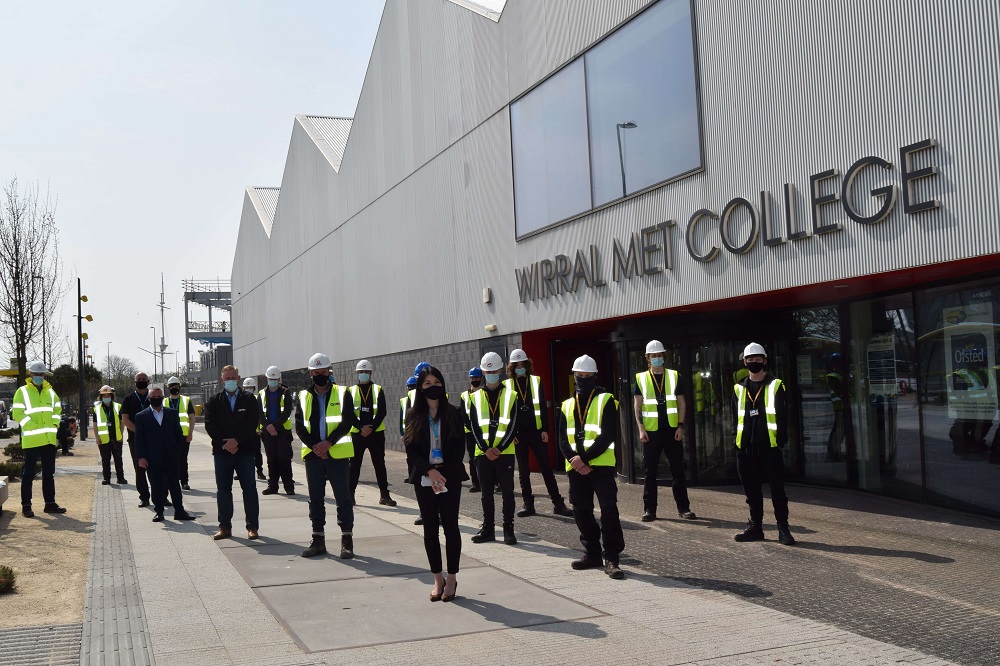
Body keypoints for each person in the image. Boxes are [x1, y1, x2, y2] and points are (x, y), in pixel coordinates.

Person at [558, 355, 624, 579]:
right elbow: (562, 440)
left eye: (587, 376)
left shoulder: (607, 400)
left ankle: (612, 557)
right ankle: (592, 552)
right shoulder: (567, 405)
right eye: (579, 376)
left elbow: (607, 435)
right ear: (574, 376)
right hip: (576, 468)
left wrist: (583, 459)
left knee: (609, 511)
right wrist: (575, 461)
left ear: (594, 376)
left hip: (601, 465)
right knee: (581, 510)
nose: (583, 380)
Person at [405, 366, 467, 602]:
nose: (433, 387)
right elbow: (411, 449)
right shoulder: (413, 415)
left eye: (436, 382)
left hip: (449, 476)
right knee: (430, 529)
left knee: (451, 527)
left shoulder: (454, 412)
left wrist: (443, 476)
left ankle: (451, 578)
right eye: (427, 383)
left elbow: (459, 447)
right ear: (421, 388)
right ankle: (437, 578)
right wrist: (430, 472)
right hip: (424, 477)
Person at [731, 342, 795, 545]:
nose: (754, 362)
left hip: (769, 447)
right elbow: (734, 417)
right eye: (751, 360)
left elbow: (784, 416)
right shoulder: (739, 388)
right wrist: (737, 441)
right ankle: (755, 528)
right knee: (751, 491)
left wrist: (780, 441)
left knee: (777, 491)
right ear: (745, 362)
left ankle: (783, 528)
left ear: (765, 361)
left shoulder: (775, 385)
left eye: (758, 359)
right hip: (745, 449)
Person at [296, 353, 357, 559]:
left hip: (337, 455)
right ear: (311, 374)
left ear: (329, 372)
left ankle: (346, 540)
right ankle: (318, 540)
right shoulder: (303, 397)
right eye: (316, 372)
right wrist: (316, 447)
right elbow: (299, 426)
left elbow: (347, 421)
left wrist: (328, 443)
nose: (320, 375)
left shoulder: (342, 393)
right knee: (315, 499)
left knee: (343, 499)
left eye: (323, 372)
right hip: (314, 457)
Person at [504, 349, 572, 518]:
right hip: (518, 435)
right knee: (524, 472)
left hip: (536, 433)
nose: (520, 367)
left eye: (522, 364)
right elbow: (505, 413)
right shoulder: (506, 385)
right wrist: (511, 435)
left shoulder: (535, 381)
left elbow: (542, 406)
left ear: (527, 364)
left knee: (546, 469)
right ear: (512, 367)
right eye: (517, 365)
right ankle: (528, 505)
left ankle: (558, 504)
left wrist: (545, 430)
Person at [634, 340, 696, 522]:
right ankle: (649, 510)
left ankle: (684, 508)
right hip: (651, 432)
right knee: (650, 472)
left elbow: (681, 403)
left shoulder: (674, 376)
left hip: (672, 431)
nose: (657, 358)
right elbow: (637, 406)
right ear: (647, 358)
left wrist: (681, 426)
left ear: (664, 357)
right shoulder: (641, 378)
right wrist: (641, 429)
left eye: (660, 355)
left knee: (678, 471)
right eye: (654, 356)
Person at [203, 365, 262, 540]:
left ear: (239, 378)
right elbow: (210, 425)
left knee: (249, 489)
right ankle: (224, 527)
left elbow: (252, 423)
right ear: (222, 380)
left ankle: (252, 527)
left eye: (233, 377)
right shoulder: (213, 401)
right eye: (227, 378)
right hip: (222, 453)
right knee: (223, 490)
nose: (230, 381)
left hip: (244, 451)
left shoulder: (249, 399)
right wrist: (227, 444)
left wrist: (237, 441)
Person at [468, 352, 519, 545]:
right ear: (482, 372)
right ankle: (488, 529)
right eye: (487, 371)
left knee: (507, 493)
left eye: (493, 370)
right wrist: (485, 448)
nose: (490, 373)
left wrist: (499, 448)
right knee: (486, 494)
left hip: (504, 453)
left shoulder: (511, 395)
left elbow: (514, 424)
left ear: (500, 371)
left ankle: (508, 529)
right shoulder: (474, 397)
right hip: (482, 454)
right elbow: (472, 425)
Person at [134, 384, 196, 523]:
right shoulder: (141, 416)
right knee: (156, 485)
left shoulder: (172, 413)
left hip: (171, 457)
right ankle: (159, 512)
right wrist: (141, 457)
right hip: (152, 458)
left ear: (163, 397)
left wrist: (177, 451)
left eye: (158, 397)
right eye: (153, 397)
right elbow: (139, 439)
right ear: (149, 398)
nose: (156, 399)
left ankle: (179, 511)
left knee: (174, 484)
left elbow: (178, 434)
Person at [13, 360, 66, 517]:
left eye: (41, 374)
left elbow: (57, 409)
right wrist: (33, 426)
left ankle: (50, 504)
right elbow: (17, 414)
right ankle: (26, 506)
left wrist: (55, 424)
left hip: (48, 439)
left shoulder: (51, 392)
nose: (38, 377)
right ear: (30, 374)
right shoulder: (21, 392)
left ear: (45, 375)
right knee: (28, 473)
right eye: (36, 374)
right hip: (31, 439)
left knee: (49, 473)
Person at [349, 360, 395, 507]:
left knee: (380, 465)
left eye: (366, 372)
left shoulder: (377, 389)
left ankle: (384, 495)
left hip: (375, 434)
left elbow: (382, 411)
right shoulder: (351, 391)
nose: (363, 374)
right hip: (357, 434)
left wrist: (371, 428)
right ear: (357, 373)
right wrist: (361, 427)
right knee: (354, 465)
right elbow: (348, 413)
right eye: (361, 372)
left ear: (370, 373)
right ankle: (350, 495)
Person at [258, 365, 296, 495]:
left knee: (284, 459)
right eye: (270, 378)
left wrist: (274, 426)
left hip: (282, 433)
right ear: (267, 378)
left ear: (279, 379)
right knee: (271, 460)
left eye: (275, 378)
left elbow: (286, 412)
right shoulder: (262, 393)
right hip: (267, 432)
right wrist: (268, 426)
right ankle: (272, 486)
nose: (273, 381)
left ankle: (289, 487)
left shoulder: (286, 392)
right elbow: (259, 413)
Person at [121, 372, 154, 507]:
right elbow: (125, 419)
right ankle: (144, 497)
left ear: (148, 381)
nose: (141, 381)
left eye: (143, 379)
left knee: (156, 469)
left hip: (153, 440)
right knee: (139, 470)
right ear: (134, 382)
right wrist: (139, 431)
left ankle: (161, 496)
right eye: (138, 379)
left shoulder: (154, 397)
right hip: (135, 440)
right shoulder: (128, 399)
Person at [165, 376, 196, 490]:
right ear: (169, 388)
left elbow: (192, 418)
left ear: (179, 387)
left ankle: (184, 481)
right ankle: (171, 481)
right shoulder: (164, 401)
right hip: (169, 437)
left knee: (183, 460)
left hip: (183, 436)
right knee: (170, 460)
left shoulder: (186, 400)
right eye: (172, 386)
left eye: (176, 386)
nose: (174, 388)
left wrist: (190, 433)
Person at [92, 385, 127, 486]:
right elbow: (95, 424)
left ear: (112, 396)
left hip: (116, 438)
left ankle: (121, 478)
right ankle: (106, 478)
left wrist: (121, 434)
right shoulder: (96, 409)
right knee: (105, 460)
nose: (106, 397)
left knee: (118, 459)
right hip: (103, 439)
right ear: (101, 396)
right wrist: (97, 437)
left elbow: (122, 422)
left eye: (108, 395)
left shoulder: (118, 407)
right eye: (104, 395)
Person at [459, 367, 483, 493]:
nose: (474, 380)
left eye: (477, 378)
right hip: (469, 432)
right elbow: (463, 414)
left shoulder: (485, 393)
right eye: (472, 378)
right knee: (473, 458)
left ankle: (495, 482)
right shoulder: (464, 395)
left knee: (486, 458)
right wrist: (472, 428)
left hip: (484, 432)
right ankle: (476, 483)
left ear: (481, 378)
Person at [242, 377, 267, 480]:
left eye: (250, 387)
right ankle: (242, 472)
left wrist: (260, 429)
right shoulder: (240, 399)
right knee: (242, 453)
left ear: (254, 388)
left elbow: (260, 415)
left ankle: (259, 471)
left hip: (255, 432)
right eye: (246, 387)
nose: (248, 389)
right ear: (243, 388)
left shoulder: (257, 398)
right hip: (243, 433)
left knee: (257, 452)